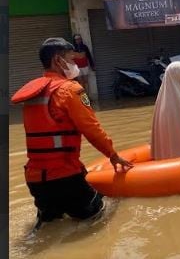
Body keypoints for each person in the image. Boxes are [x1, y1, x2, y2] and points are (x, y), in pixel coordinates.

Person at [11, 37, 132, 228]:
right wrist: (113, 155)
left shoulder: (33, 94)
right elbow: (92, 129)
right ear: (59, 60)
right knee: (102, 214)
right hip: (65, 176)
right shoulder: (70, 90)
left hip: (35, 180)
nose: (75, 64)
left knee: (49, 227)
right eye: (72, 59)